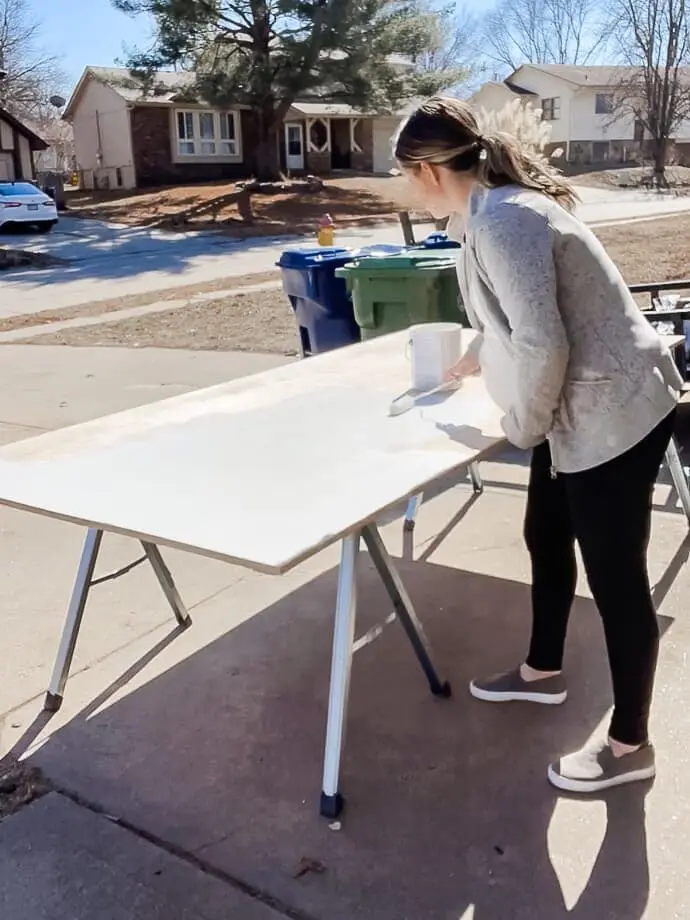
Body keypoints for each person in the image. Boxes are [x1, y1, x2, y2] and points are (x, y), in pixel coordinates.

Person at [394, 96, 682, 794]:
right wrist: (474, 357)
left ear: (430, 171)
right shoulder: (487, 216)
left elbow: (544, 341)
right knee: (545, 531)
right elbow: (519, 321)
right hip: (577, 405)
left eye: (403, 175)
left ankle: (628, 746)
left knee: (617, 581)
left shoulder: (506, 222)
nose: (401, 190)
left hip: (614, 411)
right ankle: (541, 672)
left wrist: (520, 429)